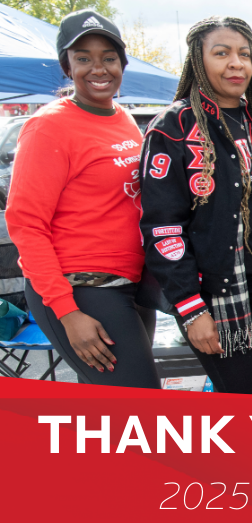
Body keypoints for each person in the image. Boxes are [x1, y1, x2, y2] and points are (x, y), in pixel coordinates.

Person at [139, 17, 252, 394]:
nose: (235, 63)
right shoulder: (172, 128)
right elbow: (163, 228)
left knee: (244, 395)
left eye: (244, 54)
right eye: (221, 53)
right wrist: (191, 310)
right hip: (216, 297)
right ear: (198, 60)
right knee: (247, 398)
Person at [7, 9, 158, 387]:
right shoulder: (48, 127)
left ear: (122, 63)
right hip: (81, 289)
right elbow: (26, 225)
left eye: (109, 58)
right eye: (83, 58)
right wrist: (66, 312)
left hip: (130, 286)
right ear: (66, 66)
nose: (98, 68)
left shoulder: (122, 117)